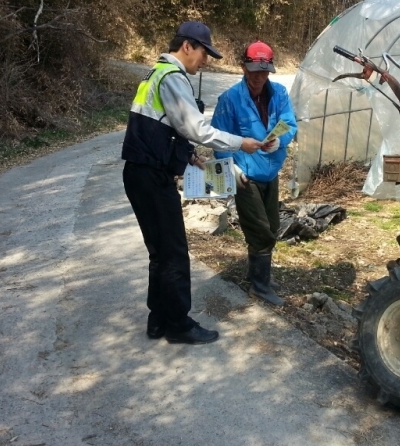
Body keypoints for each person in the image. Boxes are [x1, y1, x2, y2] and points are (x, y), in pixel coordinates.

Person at [121, 22, 270, 345]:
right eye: (204, 53)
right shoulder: (173, 77)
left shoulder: (155, 74)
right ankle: (178, 324)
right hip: (151, 177)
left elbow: (160, 128)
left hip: (139, 174)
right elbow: (197, 129)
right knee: (174, 252)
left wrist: (190, 157)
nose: (205, 61)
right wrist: (240, 142)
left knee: (159, 251)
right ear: (187, 46)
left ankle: (158, 318)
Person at [211, 40, 297, 306]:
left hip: (271, 172)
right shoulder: (229, 100)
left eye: (264, 71)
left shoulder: (279, 94)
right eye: (253, 70)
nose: (258, 77)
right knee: (260, 230)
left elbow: (290, 124)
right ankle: (259, 287)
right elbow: (218, 139)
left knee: (271, 225)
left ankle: (259, 274)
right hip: (245, 176)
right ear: (243, 68)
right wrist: (232, 169)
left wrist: (280, 141)